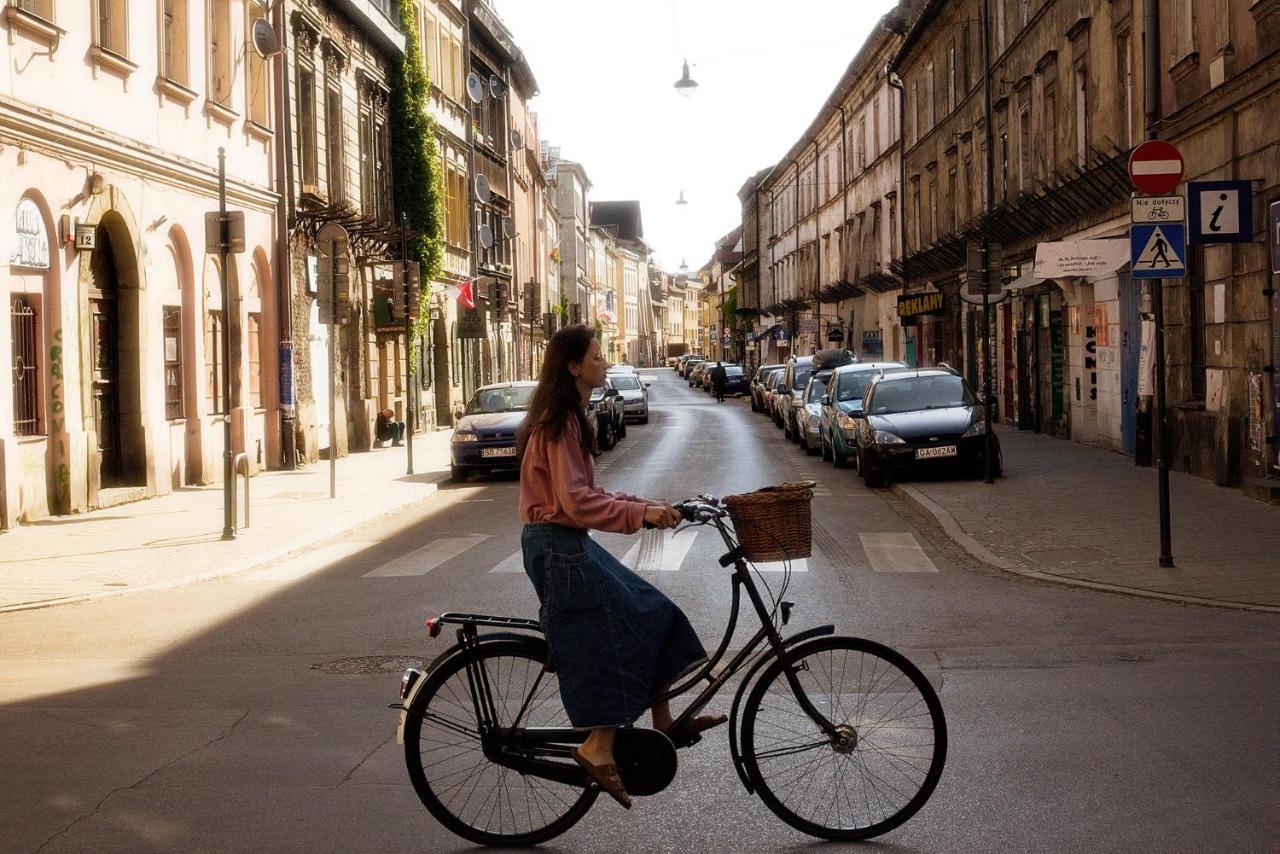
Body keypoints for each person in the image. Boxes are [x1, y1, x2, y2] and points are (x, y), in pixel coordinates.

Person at [516, 324, 724, 809]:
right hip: (558, 548)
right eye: (596, 356)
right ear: (573, 366)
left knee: (653, 611)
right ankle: (597, 745)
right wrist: (637, 514)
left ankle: (664, 722)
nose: (605, 363)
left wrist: (649, 505)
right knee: (608, 638)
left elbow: (589, 495)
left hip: (562, 544)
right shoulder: (560, 419)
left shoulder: (566, 415)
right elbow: (577, 502)